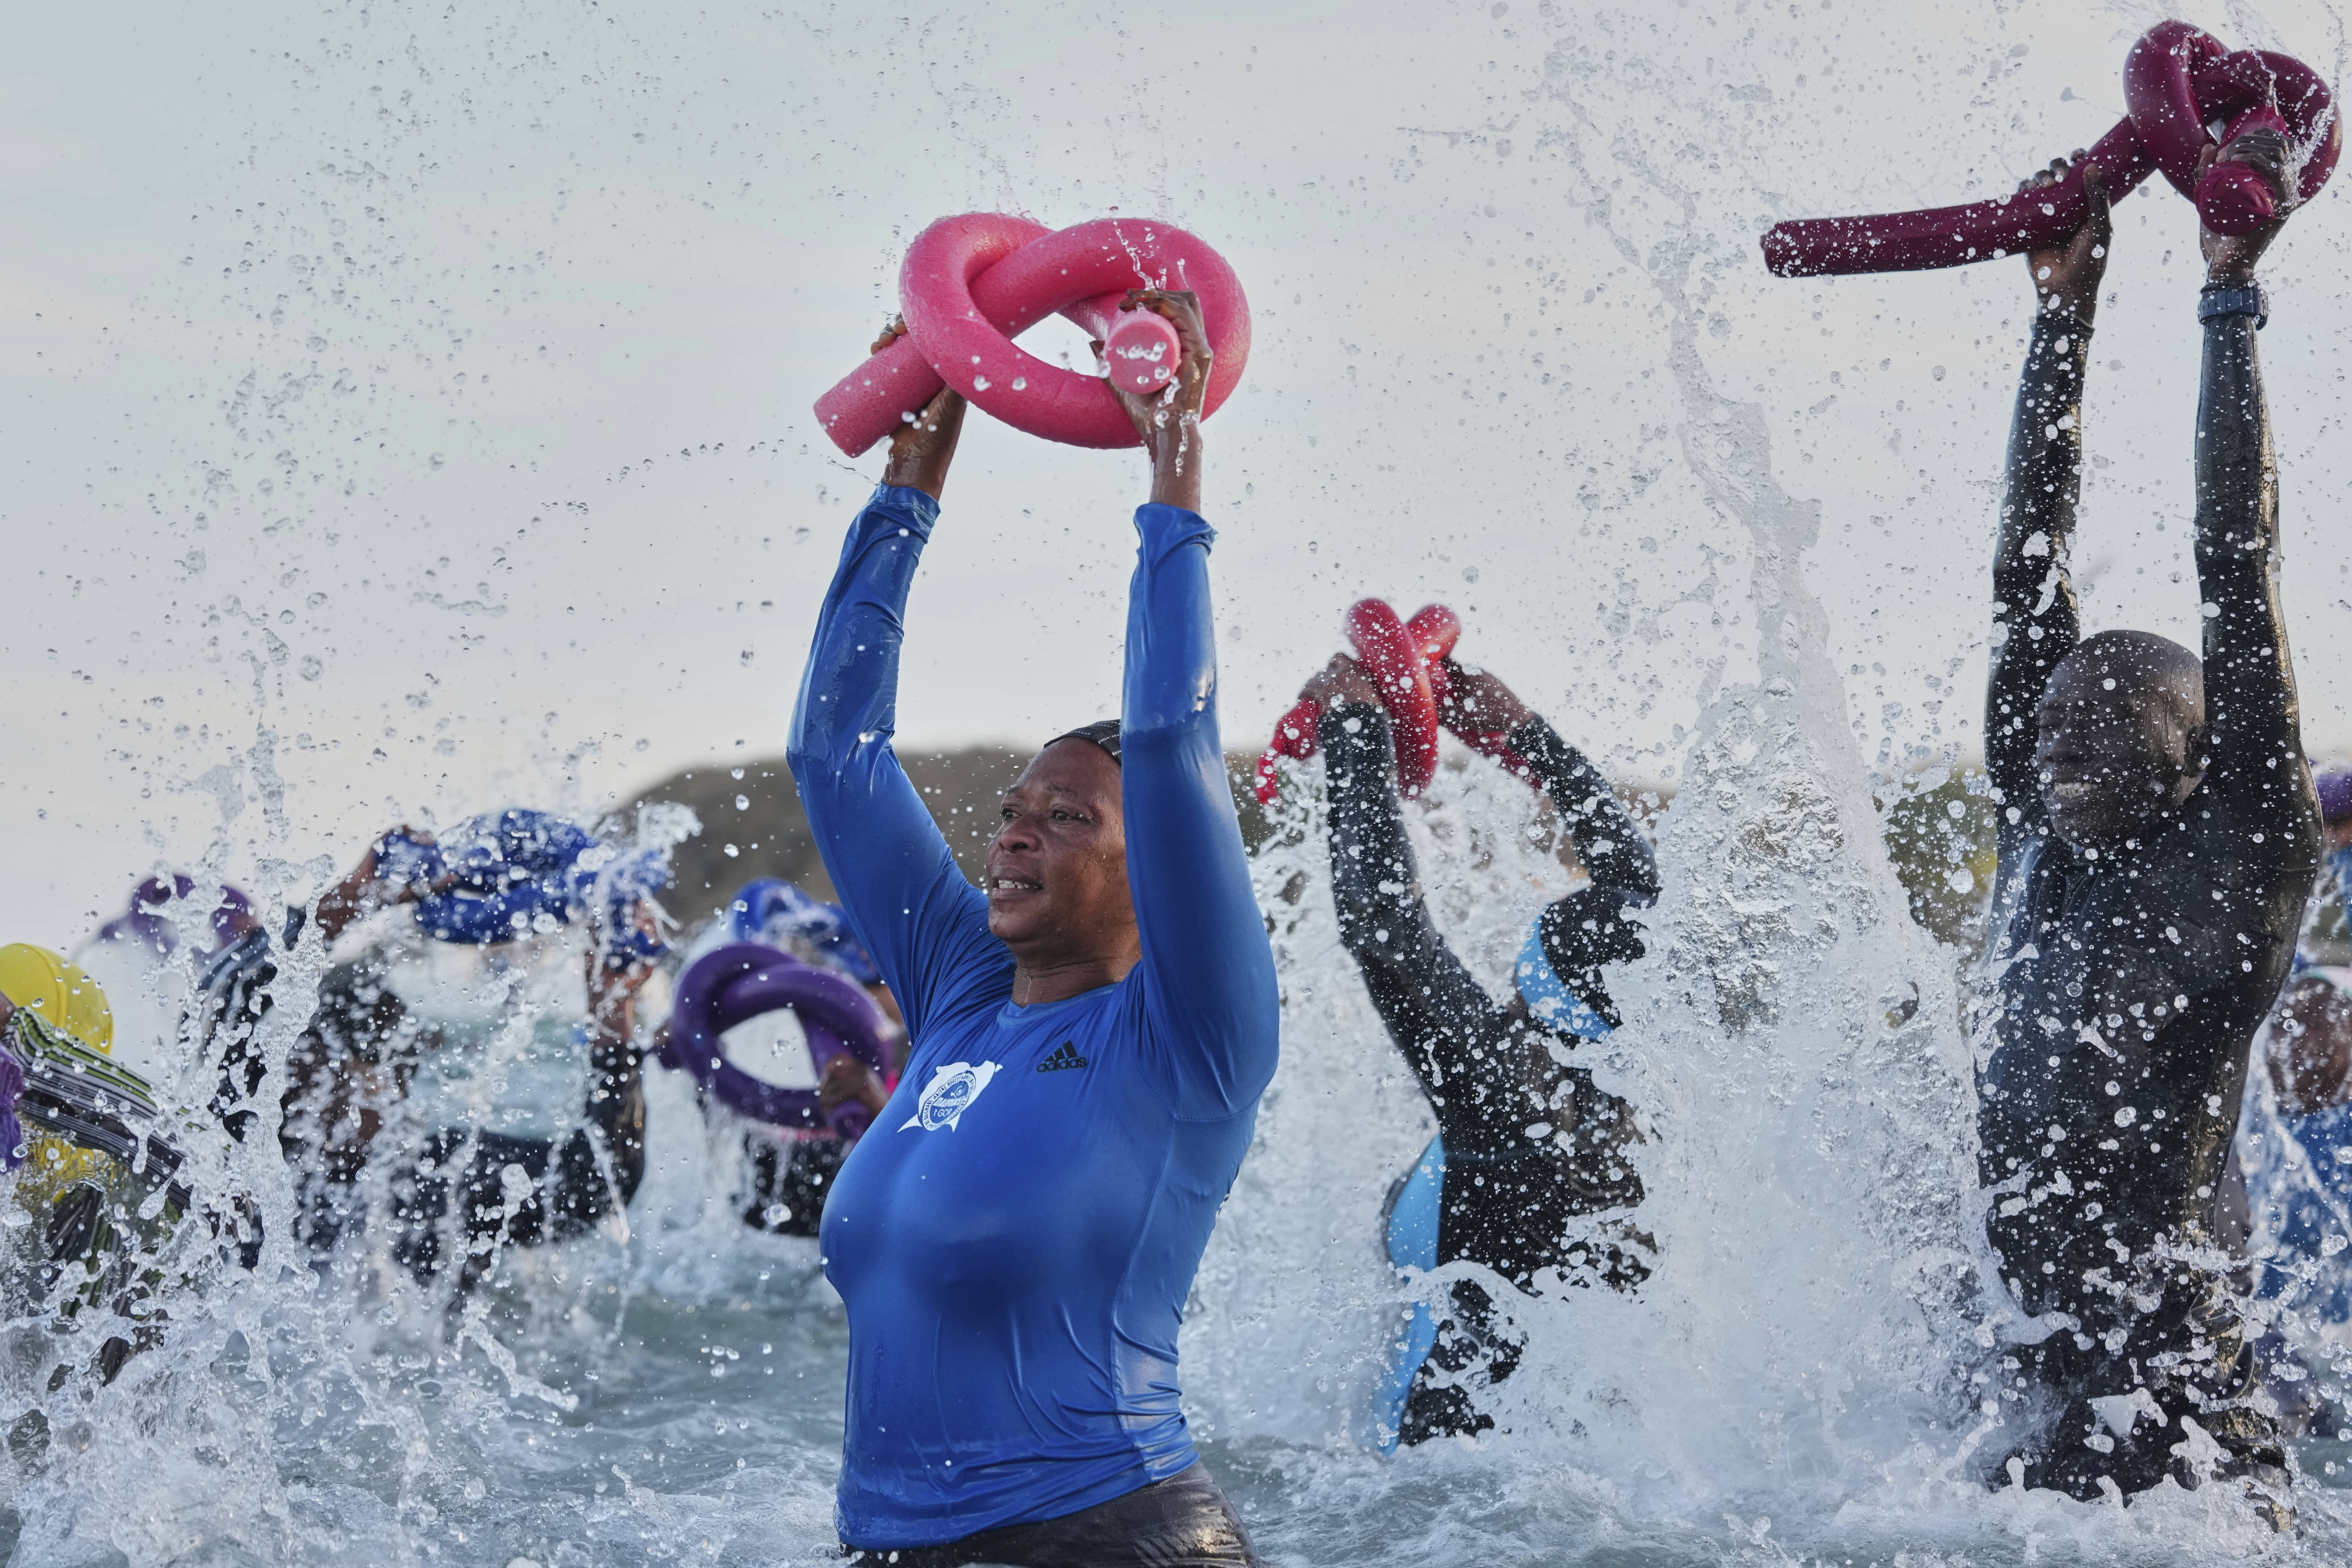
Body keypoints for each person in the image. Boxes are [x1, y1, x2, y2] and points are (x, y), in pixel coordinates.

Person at [787, 294, 1279, 1566]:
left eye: (1066, 818)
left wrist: (1172, 472)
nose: (1011, 835)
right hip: (885, 1544)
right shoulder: (960, 992)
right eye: (1011, 811)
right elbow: (831, 753)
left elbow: (1170, 741)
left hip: (1107, 1535)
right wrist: (910, 480)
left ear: (1150, 863)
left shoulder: (1188, 1030)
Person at [1968, 131, 2320, 1517]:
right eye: (2048, 723)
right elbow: (2024, 570)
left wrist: (2225, 298)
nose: (2053, 744)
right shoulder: (2043, 834)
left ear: (2191, 765)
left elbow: (2236, 561)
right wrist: (2060, 316)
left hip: (2177, 1434)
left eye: (2101, 731)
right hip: (2026, 1394)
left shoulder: (2237, 868)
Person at [1291, 654, 1656, 1449]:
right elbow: (1641, 893)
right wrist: (1525, 734)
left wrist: (1356, 730)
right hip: (1572, 1484)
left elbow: (1387, 934)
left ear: (1536, 980)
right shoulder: (1647, 1106)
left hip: (1432, 1497)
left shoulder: (1506, 1094)